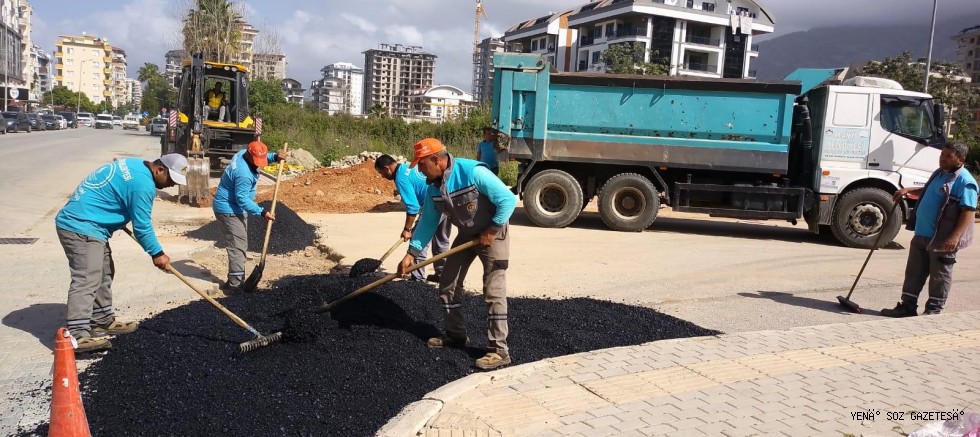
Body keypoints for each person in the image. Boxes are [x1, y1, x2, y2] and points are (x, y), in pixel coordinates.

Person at [398, 138, 517, 371]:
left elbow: (508, 199)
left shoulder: (472, 172)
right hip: (467, 235)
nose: (420, 171)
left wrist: (492, 230)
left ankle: (498, 351)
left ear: (437, 160)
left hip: (493, 234)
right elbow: (428, 222)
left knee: (493, 291)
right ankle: (455, 335)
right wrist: (412, 253)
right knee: (448, 283)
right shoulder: (434, 187)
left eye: (422, 165)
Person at [56, 154, 189, 353]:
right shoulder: (142, 185)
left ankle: (100, 320)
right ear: (159, 169)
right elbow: (142, 226)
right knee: (87, 277)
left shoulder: (137, 165)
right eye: (171, 179)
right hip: (81, 225)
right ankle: (77, 334)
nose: (171, 185)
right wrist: (157, 253)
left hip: (93, 225)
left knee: (104, 271)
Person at [882, 142, 977, 317]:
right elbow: (929, 191)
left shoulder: (965, 181)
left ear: (961, 159)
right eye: (942, 154)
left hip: (942, 239)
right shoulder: (939, 174)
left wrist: (954, 238)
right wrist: (910, 191)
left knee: (939, 276)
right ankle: (907, 307)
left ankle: (933, 311)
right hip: (922, 234)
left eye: (949, 156)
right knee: (914, 273)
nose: (943, 158)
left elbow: (969, 211)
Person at [212, 140, 287, 293]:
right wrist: (262, 212)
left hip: (232, 206)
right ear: (249, 155)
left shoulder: (241, 154)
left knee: (239, 244)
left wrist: (275, 157)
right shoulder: (243, 173)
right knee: (238, 247)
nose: (259, 164)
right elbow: (242, 199)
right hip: (229, 209)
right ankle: (235, 287)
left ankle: (234, 280)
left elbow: (264, 158)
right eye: (257, 161)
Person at [374, 154, 451, 282]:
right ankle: (443, 275)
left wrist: (407, 229)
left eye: (381, 173)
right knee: (441, 241)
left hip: (431, 205)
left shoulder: (400, 177)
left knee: (418, 242)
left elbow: (413, 207)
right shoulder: (406, 167)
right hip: (445, 200)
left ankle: (417, 279)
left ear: (387, 168)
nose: (382, 176)